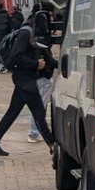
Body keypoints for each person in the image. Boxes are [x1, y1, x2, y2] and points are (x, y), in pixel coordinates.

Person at [0, 15, 53, 157]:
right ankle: (53, 146)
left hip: (24, 80)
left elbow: (48, 59)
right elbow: (16, 55)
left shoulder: (31, 34)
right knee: (39, 114)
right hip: (25, 81)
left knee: (12, 113)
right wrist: (35, 64)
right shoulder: (26, 33)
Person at [26, 11, 57, 143]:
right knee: (40, 106)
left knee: (35, 105)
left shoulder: (31, 36)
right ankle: (34, 132)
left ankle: (35, 132)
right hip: (42, 76)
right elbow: (49, 60)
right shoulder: (42, 40)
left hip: (32, 76)